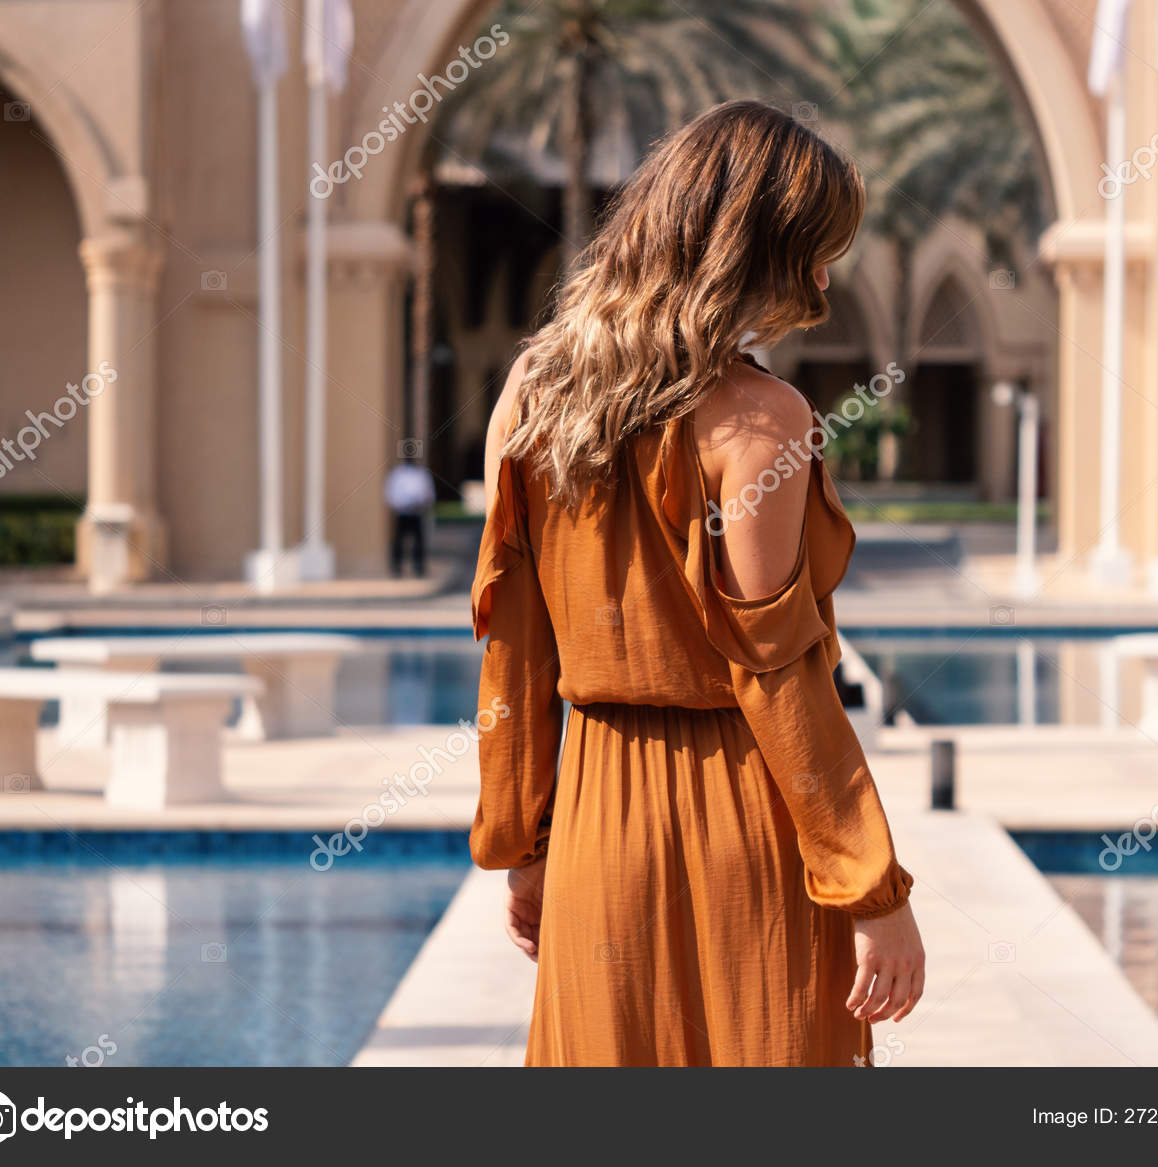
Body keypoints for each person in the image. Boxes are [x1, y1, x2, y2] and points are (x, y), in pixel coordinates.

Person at [470, 100, 923, 1067]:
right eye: (813, 248)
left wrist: (527, 840)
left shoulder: (529, 393)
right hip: (747, 830)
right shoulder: (763, 418)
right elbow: (777, 675)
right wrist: (872, 890)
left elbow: (515, 651)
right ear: (752, 249)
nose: (826, 278)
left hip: (597, 831)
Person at [383, 456, 435, 577]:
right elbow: (390, 493)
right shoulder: (397, 474)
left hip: (416, 512)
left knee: (419, 541)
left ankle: (419, 567)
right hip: (402, 513)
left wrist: (421, 503)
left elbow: (428, 492)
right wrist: (400, 504)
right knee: (398, 541)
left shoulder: (421, 474)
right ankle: (397, 566)